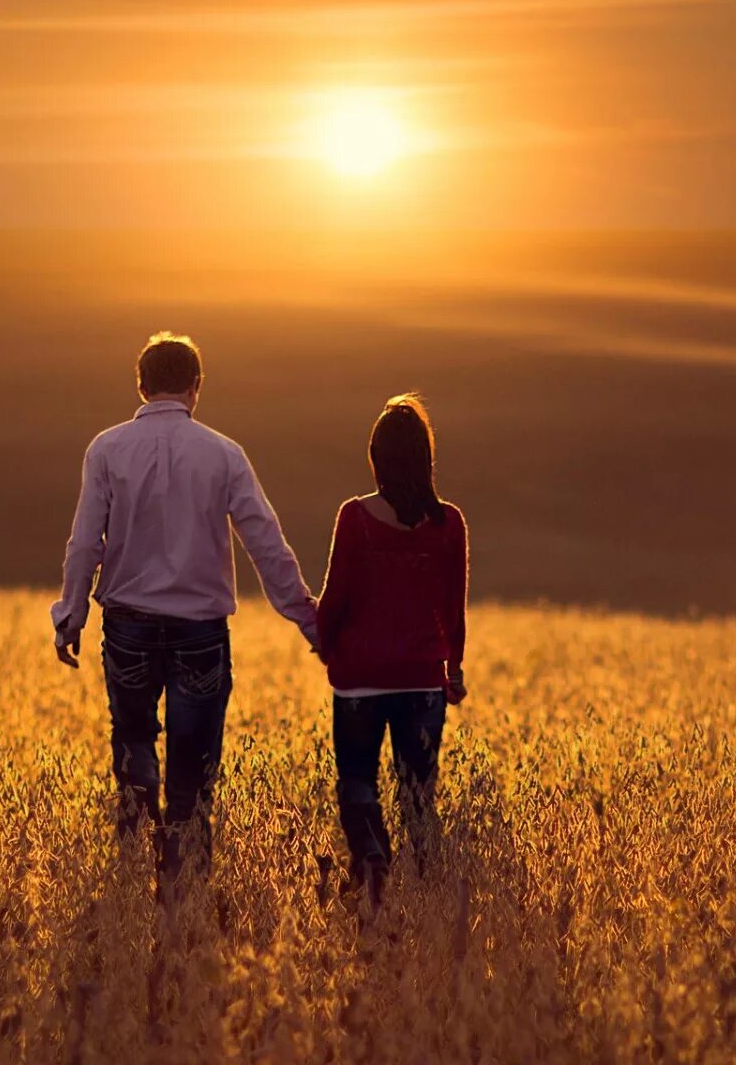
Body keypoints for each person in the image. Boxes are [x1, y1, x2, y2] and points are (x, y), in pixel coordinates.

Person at [52, 332, 320, 884]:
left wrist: (71, 614)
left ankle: (128, 878)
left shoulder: (106, 449)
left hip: (126, 626)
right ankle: (184, 897)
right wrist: (308, 619)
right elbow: (265, 542)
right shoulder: (224, 454)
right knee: (193, 780)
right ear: (197, 388)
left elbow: (84, 543)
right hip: (201, 632)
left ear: (142, 386)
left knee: (132, 750)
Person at [314, 394, 469, 904]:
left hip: (359, 679)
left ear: (376, 458)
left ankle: (373, 862)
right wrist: (453, 667)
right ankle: (426, 893)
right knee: (418, 796)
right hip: (423, 682)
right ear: (426, 458)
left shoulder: (355, 518)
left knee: (358, 782)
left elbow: (335, 597)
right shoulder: (449, 524)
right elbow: (453, 608)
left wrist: (326, 643)